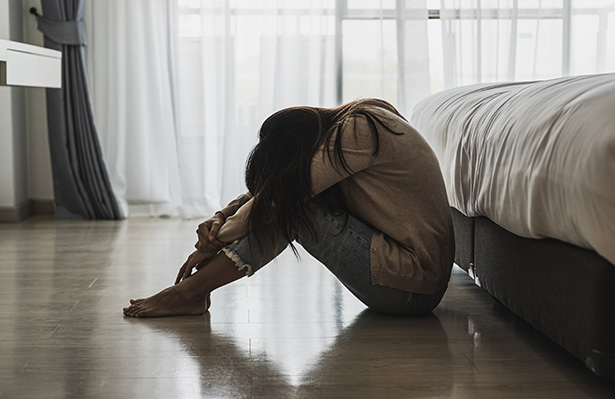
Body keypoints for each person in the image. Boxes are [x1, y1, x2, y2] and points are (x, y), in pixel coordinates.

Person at [123, 98, 455, 318]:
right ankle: (191, 294)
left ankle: (190, 293)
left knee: (293, 210)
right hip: (404, 284)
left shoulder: (359, 130)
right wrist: (221, 217)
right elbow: (276, 191)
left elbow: (277, 201)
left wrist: (213, 242)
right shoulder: (348, 128)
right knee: (290, 203)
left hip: (413, 287)